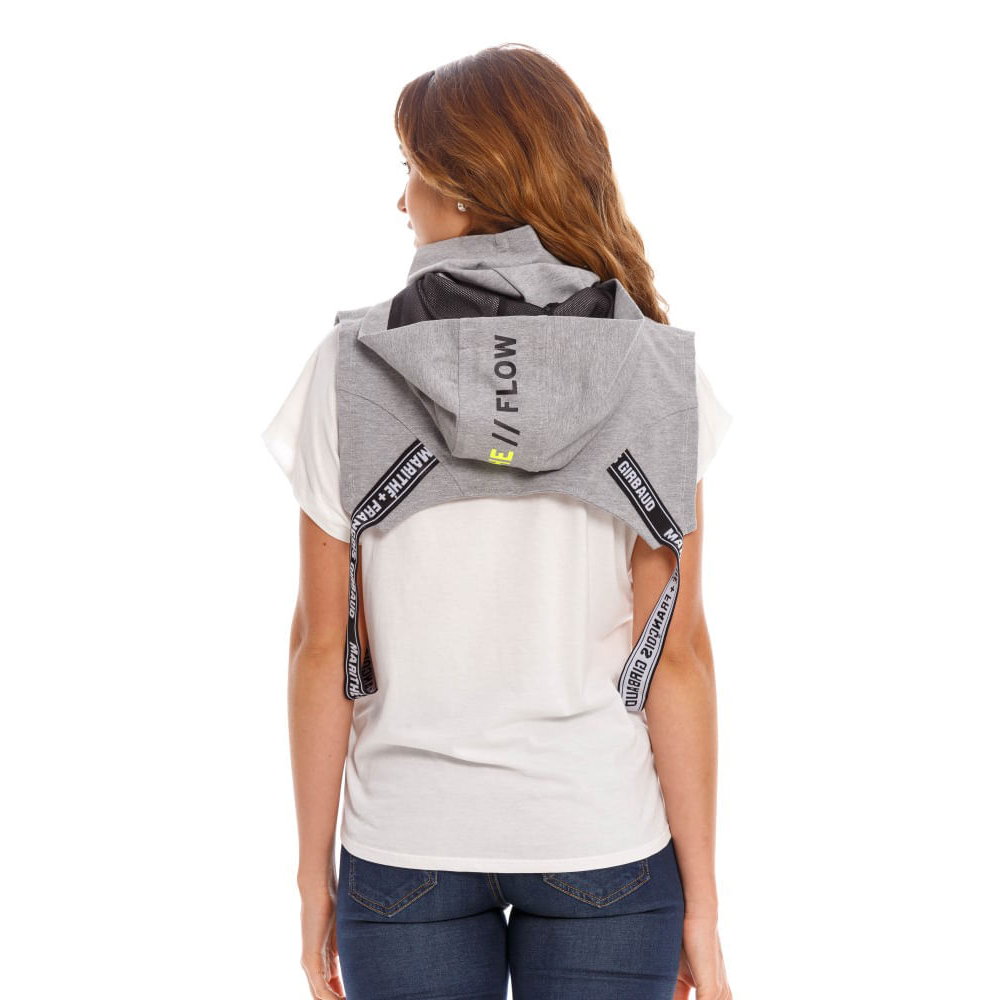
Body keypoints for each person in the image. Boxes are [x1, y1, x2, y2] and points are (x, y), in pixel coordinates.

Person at [262, 43, 734, 1000]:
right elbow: (676, 654)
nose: (401, 201)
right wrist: (704, 908)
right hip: (600, 835)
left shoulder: (349, 370)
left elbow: (324, 648)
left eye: (411, 172)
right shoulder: (653, 372)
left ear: (465, 193)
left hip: (407, 840)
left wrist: (312, 878)